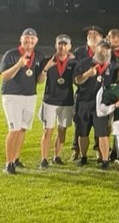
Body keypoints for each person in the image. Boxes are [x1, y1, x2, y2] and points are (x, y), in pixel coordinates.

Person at [1, 28, 45, 174]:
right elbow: (5, 76)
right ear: (21, 39)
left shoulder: (38, 56)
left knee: (22, 129)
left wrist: (45, 70)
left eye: (32, 39)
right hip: (12, 95)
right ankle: (9, 163)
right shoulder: (11, 54)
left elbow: (39, 81)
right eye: (26, 38)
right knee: (14, 129)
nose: (29, 41)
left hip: (30, 95)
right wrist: (19, 65)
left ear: (36, 41)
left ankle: (16, 159)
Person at [73, 40, 117, 168]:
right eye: (102, 49)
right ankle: (83, 157)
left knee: (102, 133)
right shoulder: (84, 63)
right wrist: (87, 74)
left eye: (108, 50)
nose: (105, 52)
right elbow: (76, 81)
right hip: (84, 103)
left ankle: (105, 160)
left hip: (101, 105)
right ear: (96, 49)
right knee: (83, 133)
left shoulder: (113, 66)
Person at [38, 34, 77, 168]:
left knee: (62, 130)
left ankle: (57, 156)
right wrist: (46, 68)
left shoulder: (73, 62)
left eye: (65, 44)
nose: (62, 46)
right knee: (48, 130)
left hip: (67, 101)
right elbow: (40, 81)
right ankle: (44, 159)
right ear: (56, 45)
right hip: (50, 100)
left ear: (70, 47)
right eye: (60, 44)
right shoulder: (48, 60)